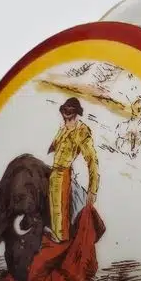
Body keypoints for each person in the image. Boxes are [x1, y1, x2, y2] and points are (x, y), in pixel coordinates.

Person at [47, 97, 99, 242]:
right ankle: (57, 238)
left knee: (61, 214)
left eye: (69, 115)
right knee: (54, 212)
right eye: (65, 114)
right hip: (54, 174)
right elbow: (53, 148)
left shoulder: (82, 132)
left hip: (64, 174)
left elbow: (92, 161)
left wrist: (92, 189)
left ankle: (62, 242)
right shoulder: (63, 129)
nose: (66, 118)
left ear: (76, 115)